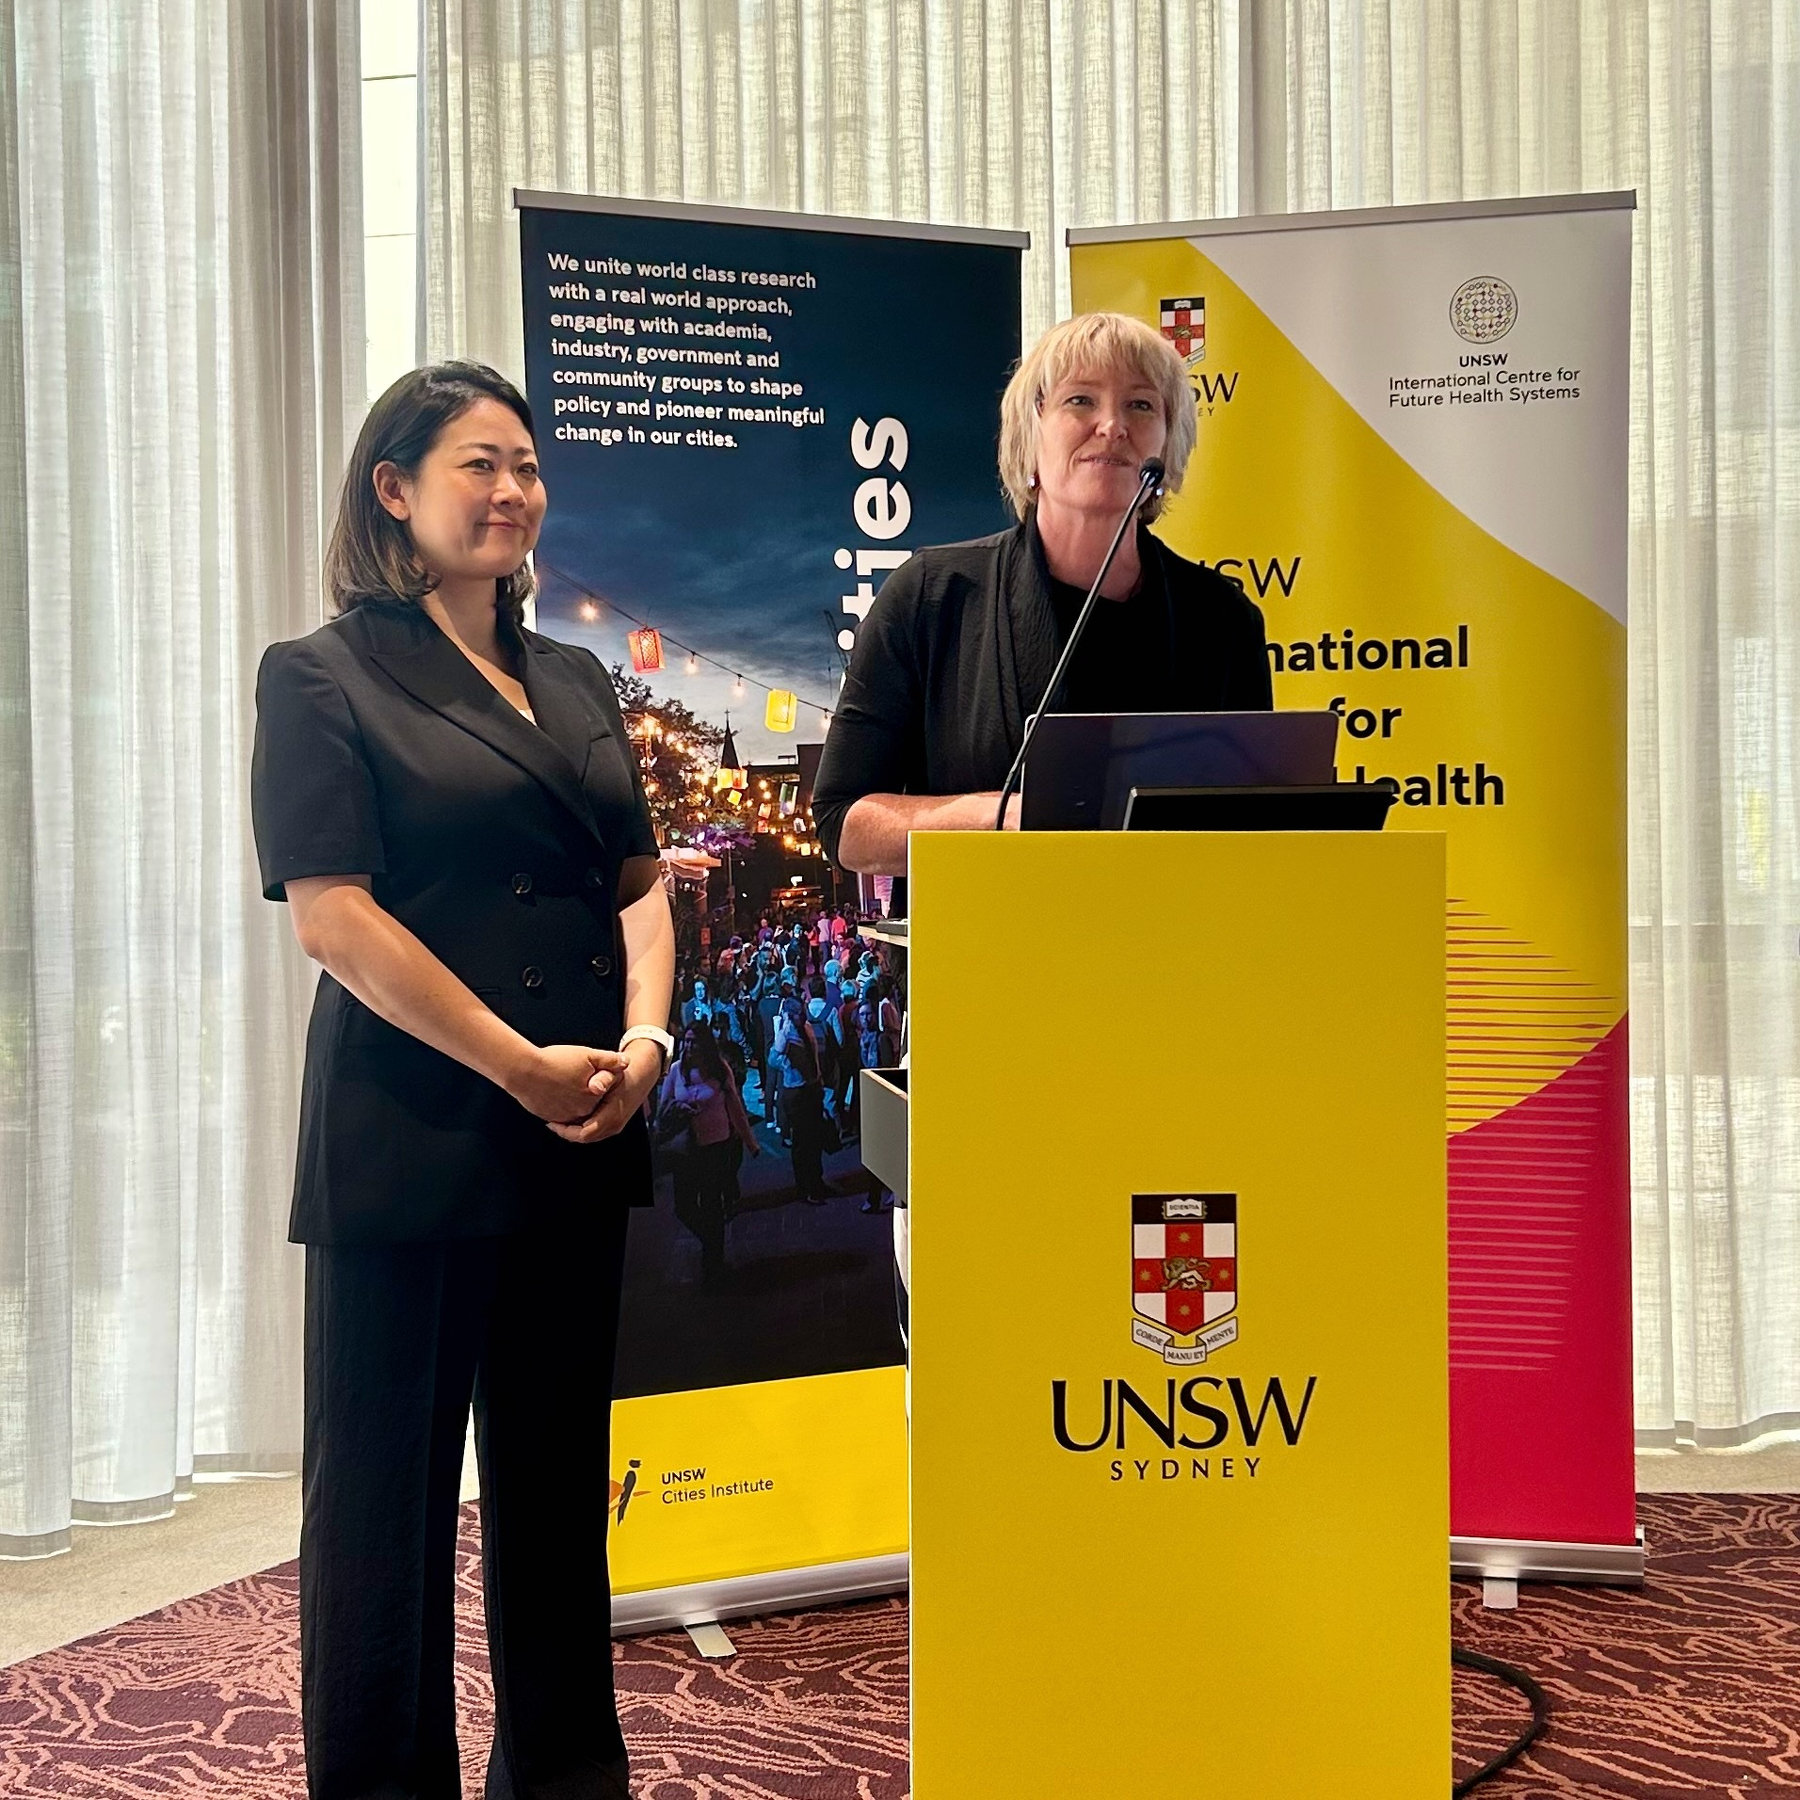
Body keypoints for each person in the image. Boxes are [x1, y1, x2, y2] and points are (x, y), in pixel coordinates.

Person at [251, 360, 675, 1800]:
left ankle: (565, 1778)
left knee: (557, 1500)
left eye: (528, 467)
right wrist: (518, 1067)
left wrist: (649, 1046)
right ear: (396, 488)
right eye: (478, 465)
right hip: (416, 1130)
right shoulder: (320, 674)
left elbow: (637, 883)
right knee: (385, 1517)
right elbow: (335, 917)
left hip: (579, 1127)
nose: (512, 492)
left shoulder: (576, 675)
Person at [812, 310, 1272, 875]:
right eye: (1080, 400)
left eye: (1141, 404)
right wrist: (1001, 819)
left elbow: (1253, 827)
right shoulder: (930, 595)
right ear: (1031, 435)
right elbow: (845, 825)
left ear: (1168, 444)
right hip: (988, 953)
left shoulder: (1222, 620)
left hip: (1173, 950)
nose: (1111, 425)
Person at [660, 1021, 759, 1284]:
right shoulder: (677, 1071)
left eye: (695, 1041)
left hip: (716, 1146)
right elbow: (663, 1109)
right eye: (687, 1041)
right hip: (686, 1150)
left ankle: (713, 1264)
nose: (690, 1046)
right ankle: (711, 1243)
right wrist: (678, 1110)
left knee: (713, 1205)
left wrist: (750, 1142)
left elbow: (735, 1107)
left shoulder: (719, 1070)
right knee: (685, 1207)